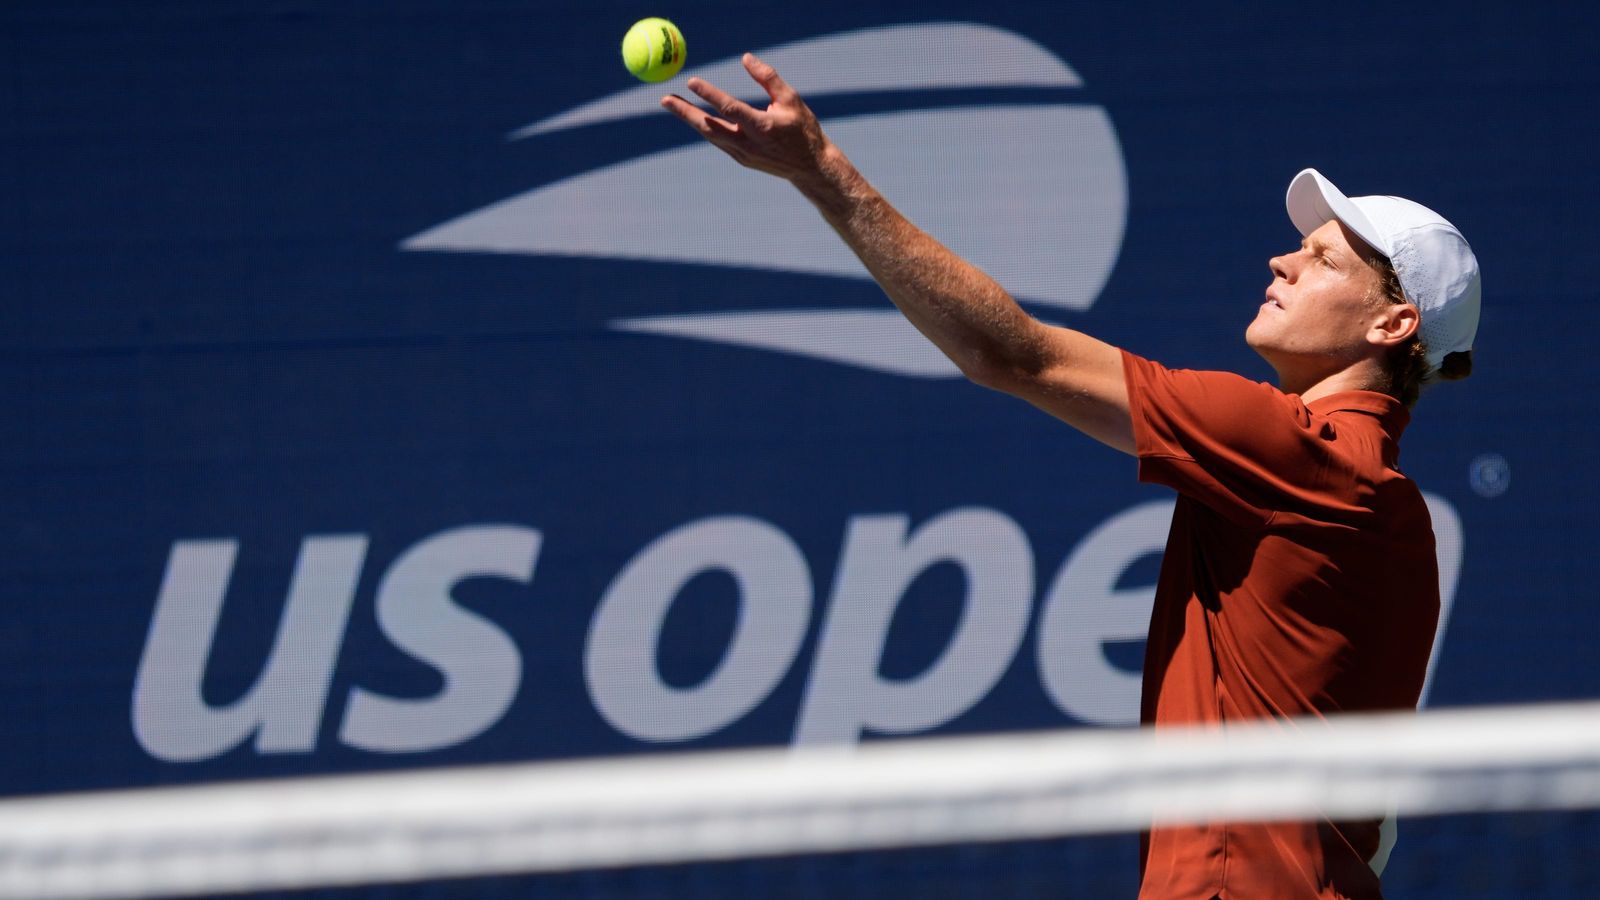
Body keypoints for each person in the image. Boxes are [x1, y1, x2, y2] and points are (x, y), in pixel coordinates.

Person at [663, 54, 1481, 900]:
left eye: (1320, 259)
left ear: (1395, 322)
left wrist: (822, 173)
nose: (1280, 262)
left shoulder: (1291, 451)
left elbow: (1008, 352)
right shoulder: (1401, 520)